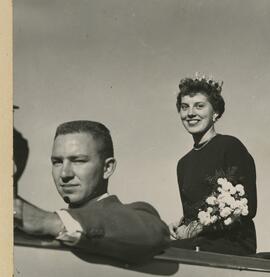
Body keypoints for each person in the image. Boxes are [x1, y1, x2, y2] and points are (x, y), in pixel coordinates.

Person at [14, 120, 170, 263]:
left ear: (107, 168)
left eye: (78, 161)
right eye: (57, 162)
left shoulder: (139, 215)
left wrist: (48, 222)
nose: (64, 174)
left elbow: (153, 232)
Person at [169, 74, 257, 255]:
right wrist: (181, 225)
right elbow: (193, 213)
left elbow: (247, 206)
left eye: (199, 106)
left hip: (233, 245)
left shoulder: (230, 146)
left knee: (161, 251)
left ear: (215, 112)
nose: (191, 113)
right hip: (198, 243)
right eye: (184, 107)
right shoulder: (183, 164)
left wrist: (198, 227)